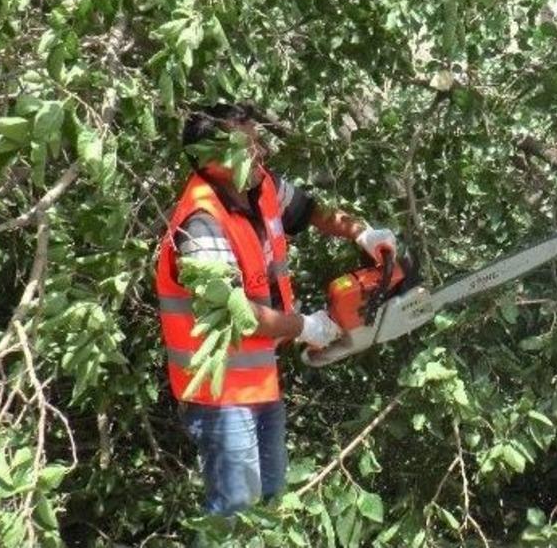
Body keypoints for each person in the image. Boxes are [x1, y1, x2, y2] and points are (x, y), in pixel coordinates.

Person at [154, 102, 396, 516]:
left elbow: (311, 210)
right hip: (219, 395)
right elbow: (236, 313)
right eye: (245, 146)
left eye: (255, 142)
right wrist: (306, 326)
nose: (258, 152)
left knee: (270, 508)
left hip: (259, 382)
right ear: (211, 158)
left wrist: (363, 233)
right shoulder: (201, 223)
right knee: (234, 516)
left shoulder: (258, 185)